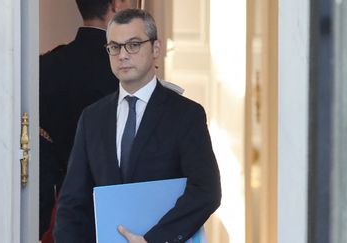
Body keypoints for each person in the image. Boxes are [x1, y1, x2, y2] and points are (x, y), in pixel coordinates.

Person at [54, 9, 221, 243]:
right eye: (114, 46)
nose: (122, 55)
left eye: (133, 45)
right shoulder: (92, 118)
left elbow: (207, 191)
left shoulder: (186, 115)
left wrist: (154, 240)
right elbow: (72, 203)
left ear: (155, 48)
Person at [39, 0, 132, 238]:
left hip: (60, 210)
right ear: (116, 5)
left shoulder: (48, 65)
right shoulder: (127, 69)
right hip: (118, 212)